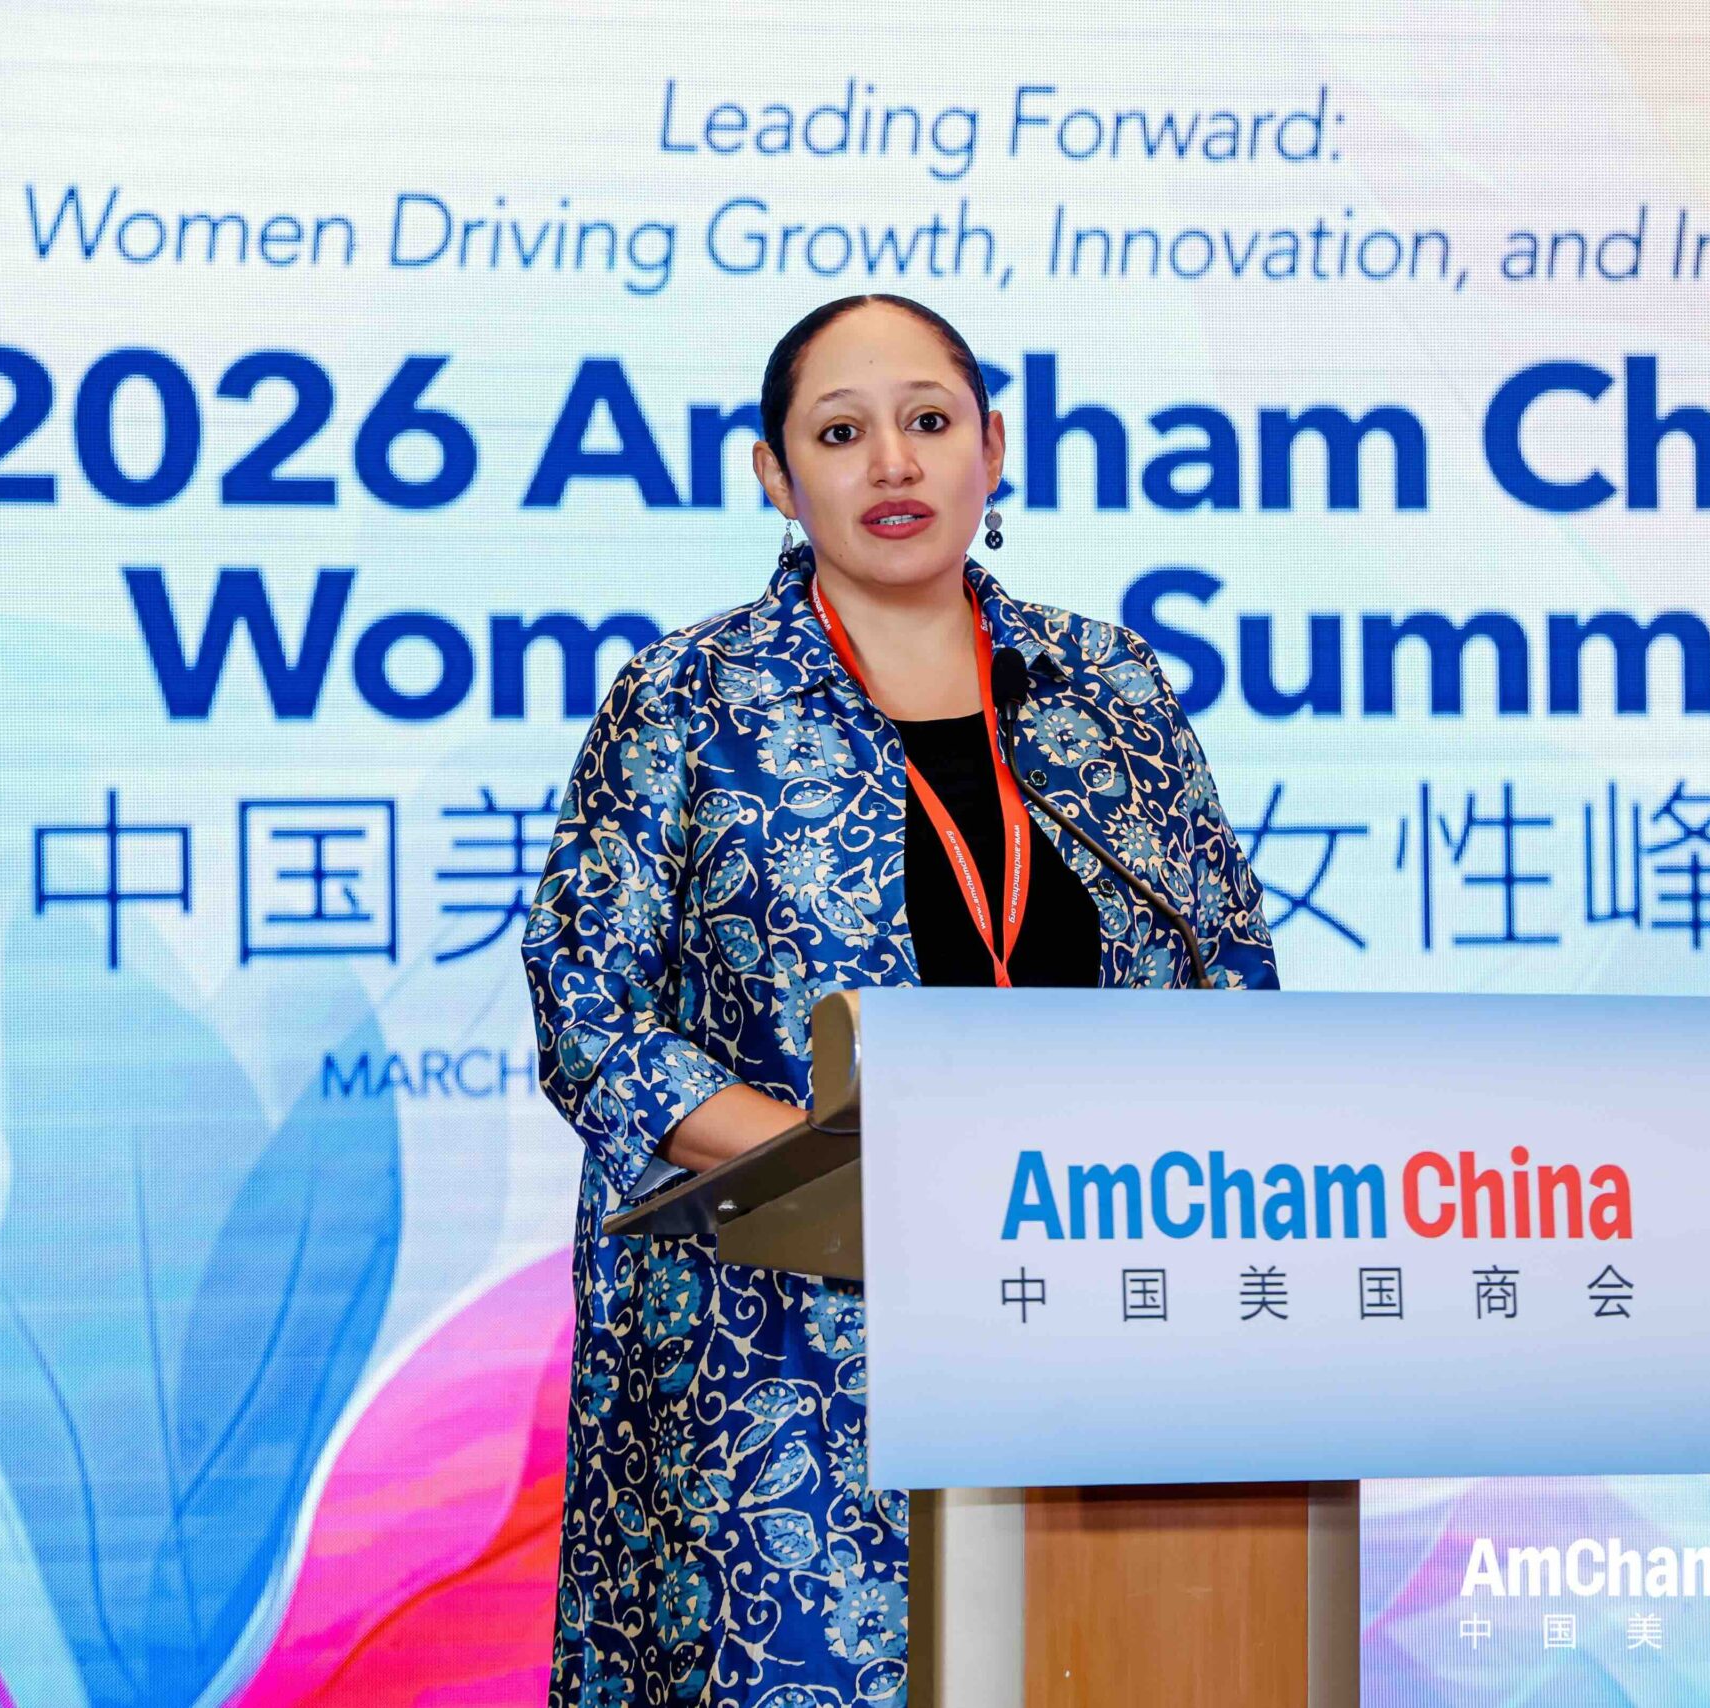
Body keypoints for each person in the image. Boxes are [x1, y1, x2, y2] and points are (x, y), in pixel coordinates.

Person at [521, 293, 1279, 1707]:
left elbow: (1230, 966)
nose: (893, 463)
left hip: (1096, 1316)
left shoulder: (1106, 688)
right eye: (840, 432)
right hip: (789, 1364)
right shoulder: (687, 699)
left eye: (929, 421)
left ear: (993, 448)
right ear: (775, 474)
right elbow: (591, 1012)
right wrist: (844, 1172)